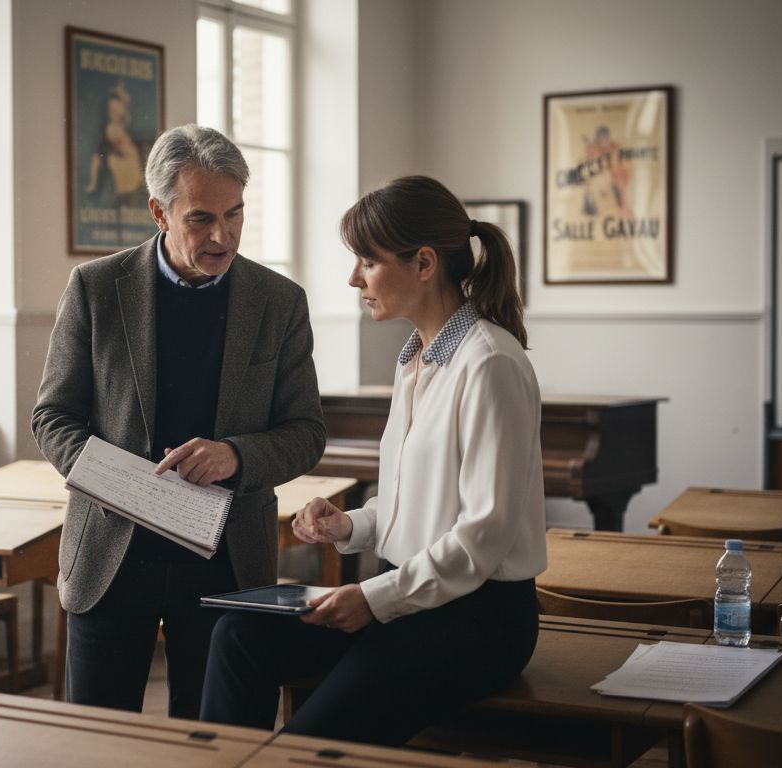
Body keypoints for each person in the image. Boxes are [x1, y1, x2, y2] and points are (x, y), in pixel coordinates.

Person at [199, 175, 546, 746]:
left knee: (307, 747)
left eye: (368, 261)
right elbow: (416, 503)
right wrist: (351, 524)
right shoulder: (415, 360)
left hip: (475, 621)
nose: (354, 278)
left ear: (425, 263)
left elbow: (483, 535)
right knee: (237, 633)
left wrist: (374, 600)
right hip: (404, 598)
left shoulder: (489, 364)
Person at [32, 124, 325, 719]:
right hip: (110, 558)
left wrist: (235, 456)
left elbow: (306, 432)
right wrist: (118, 482)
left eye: (235, 214)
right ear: (159, 213)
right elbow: (53, 415)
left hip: (227, 561)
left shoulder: (280, 301)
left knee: (219, 745)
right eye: (201, 220)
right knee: (97, 748)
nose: (223, 236)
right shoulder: (95, 288)